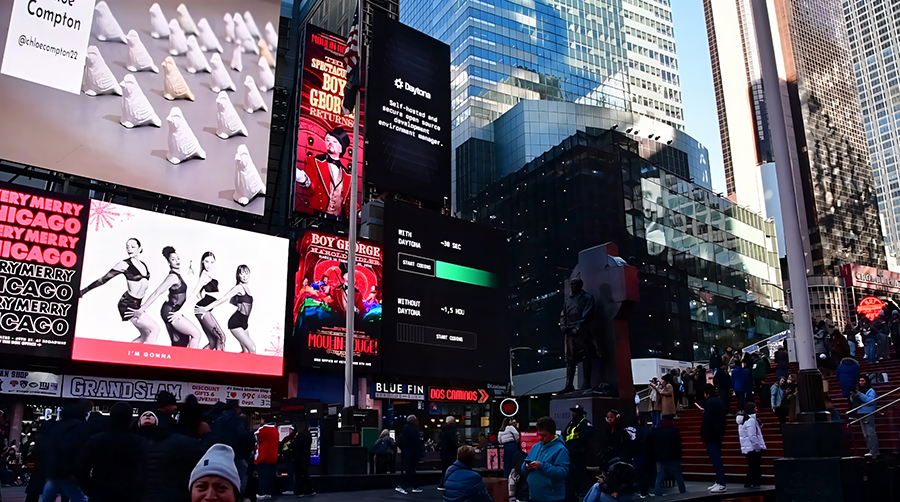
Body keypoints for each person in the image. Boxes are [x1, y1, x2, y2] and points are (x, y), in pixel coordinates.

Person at [79, 238, 160, 343]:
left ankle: (127, 354)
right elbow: (103, 279)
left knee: (146, 334)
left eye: (133, 246)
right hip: (128, 304)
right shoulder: (124, 264)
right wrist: (83, 291)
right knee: (155, 328)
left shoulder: (143, 265)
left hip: (138, 304)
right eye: (127, 247)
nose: (129, 249)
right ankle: (149, 357)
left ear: (140, 248)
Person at [129, 246, 202, 348]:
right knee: (196, 334)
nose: (176, 261)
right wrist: (141, 310)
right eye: (173, 259)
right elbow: (157, 293)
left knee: (181, 342)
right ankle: (193, 362)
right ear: (169, 263)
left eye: (178, 258)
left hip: (175, 310)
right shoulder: (173, 277)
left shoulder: (178, 275)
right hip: (170, 311)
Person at [79, 402, 144, 502]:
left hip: (100, 492)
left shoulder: (96, 440)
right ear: (130, 419)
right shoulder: (139, 442)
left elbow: (82, 468)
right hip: (129, 493)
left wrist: (90, 490)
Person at [137, 410, 203, 502]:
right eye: (145, 415)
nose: (148, 416)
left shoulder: (138, 443)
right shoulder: (178, 442)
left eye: (151, 415)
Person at [41, 404, 91, 502]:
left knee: (50, 492)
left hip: (54, 468)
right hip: (66, 469)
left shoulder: (57, 426)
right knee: (77, 495)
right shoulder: (80, 426)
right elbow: (75, 449)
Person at [560, 277, 597, 392]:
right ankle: (569, 384)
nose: (572, 287)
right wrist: (564, 327)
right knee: (570, 360)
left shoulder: (587, 298)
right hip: (570, 333)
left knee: (586, 356)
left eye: (575, 284)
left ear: (580, 285)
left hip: (582, 331)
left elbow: (587, 314)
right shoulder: (568, 300)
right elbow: (563, 315)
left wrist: (578, 327)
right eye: (571, 285)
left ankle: (586, 382)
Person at [209, 400, 253, 495]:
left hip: (218, 453)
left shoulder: (218, 419)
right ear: (236, 407)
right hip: (236, 453)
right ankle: (237, 496)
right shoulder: (238, 420)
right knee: (242, 474)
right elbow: (241, 436)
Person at [523, 417, 569, 502]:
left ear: (552, 433)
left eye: (544, 435)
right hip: (533, 496)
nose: (541, 438)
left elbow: (562, 472)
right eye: (539, 435)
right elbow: (523, 468)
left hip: (552, 498)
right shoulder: (535, 447)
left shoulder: (561, 449)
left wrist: (542, 466)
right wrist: (526, 466)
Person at [190, 251, 228, 350]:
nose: (209, 265)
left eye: (212, 262)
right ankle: (220, 363)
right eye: (206, 262)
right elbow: (194, 294)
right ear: (202, 262)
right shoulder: (204, 275)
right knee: (221, 338)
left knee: (213, 341)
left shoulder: (213, 274)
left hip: (205, 309)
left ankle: (198, 360)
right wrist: (180, 312)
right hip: (202, 309)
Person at [647, 416, 685, 497]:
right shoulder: (674, 431)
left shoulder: (657, 431)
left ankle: (657, 493)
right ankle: (683, 492)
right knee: (678, 476)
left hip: (660, 458)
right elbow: (678, 445)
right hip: (673, 457)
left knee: (660, 476)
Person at [700, 384, 727, 493]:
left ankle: (721, 482)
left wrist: (703, 434)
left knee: (715, 459)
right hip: (718, 433)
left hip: (711, 434)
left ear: (706, 393)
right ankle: (719, 481)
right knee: (717, 458)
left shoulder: (709, 403)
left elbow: (707, 420)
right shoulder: (720, 401)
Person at [564, 404, 593, 498]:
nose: (575, 414)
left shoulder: (584, 423)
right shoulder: (572, 422)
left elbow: (589, 433)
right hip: (570, 451)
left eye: (576, 412)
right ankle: (574, 490)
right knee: (572, 472)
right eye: (574, 412)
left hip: (580, 452)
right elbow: (565, 433)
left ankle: (582, 491)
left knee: (581, 472)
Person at [737, 402, 766, 488]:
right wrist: (757, 447)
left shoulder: (744, 421)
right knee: (754, 467)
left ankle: (753, 483)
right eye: (755, 408)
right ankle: (750, 483)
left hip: (748, 447)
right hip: (752, 448)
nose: (757, 410)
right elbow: (752, 436)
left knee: (754, 467)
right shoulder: (751, 421)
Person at [853, 375, 880, 456]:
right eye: (860, 381)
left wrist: (860, 395)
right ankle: (870, 450)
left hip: (869, 413)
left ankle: (874, 451)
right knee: (866, 434)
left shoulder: (870, 390)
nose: (861, 383)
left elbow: (871, 401)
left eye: (863, 381)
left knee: (870, 432)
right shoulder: (857, 391)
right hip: (860, 413)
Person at [397, 415, 424, 494]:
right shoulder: (414, 430)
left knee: (410, 470)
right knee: (410, 470)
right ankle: (402, 486)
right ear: (414, 420)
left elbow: (400, 442)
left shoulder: (403, 429)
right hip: (412, 453)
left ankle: (414, 486)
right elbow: (416, 442)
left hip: (406, 453)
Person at [254, 416, 279, 500]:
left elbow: (254, 439)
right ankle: (269, 492)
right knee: (270, 476)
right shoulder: (276, 430)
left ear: (264, 420)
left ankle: (262, 492)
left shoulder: (261, 430)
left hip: (263, 456)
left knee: (262, 476)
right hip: (273, 457)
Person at [291, 422, 315, 497]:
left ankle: (299, 491)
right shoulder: (308, 436)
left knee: (299, 475)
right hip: (306, 457)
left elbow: (294, 446)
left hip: (299, 458)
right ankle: (309, 490)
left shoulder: (299, 437)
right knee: (305, 474)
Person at [438, 416, 461, 491]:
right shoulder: (453, 431)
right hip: (451, 451)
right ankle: (450, 483)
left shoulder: (443, 430)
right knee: (452, 468)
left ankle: (442, 483)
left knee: (445, 468)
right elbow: (454, 442)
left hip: (443, 452)